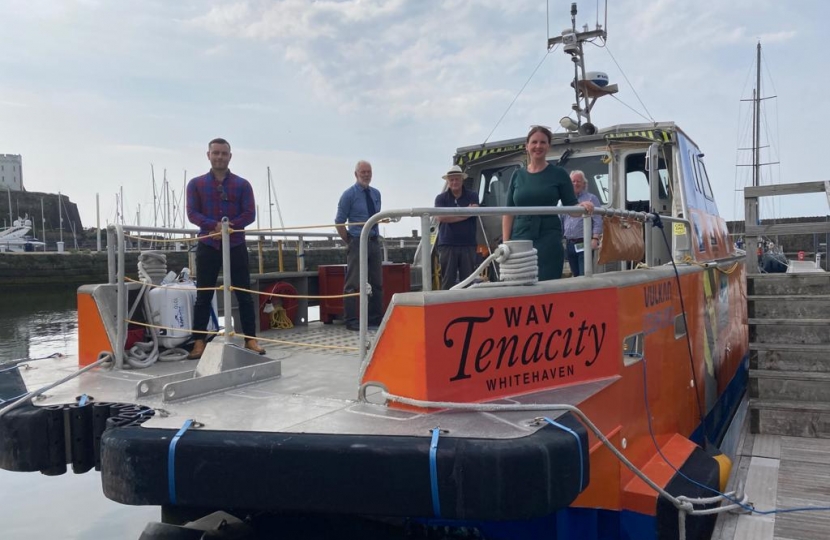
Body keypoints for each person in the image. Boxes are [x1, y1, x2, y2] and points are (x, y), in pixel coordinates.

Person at [185, 138, 263, 359]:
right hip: (208, 244)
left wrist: (229, 226)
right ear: (208, 155)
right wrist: (214, 226)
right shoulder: (196, 184)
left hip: (235, 244)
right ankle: (198, 342)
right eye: (216, 153)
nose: (219, 157)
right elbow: (192, 213)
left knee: (244, 293)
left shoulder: (242, 184)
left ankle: (250, 339)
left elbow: (250, 214)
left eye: (224, 153)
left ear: (230, 156)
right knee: (203, 294)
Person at [501, 126, 595, 281]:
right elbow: (508, 212)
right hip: (520, 237)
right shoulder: (517, 175)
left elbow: (571, 207)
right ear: (527, 146)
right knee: (518, 283)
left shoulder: (558, 174)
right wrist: (506, 244)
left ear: (548, 146)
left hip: (548, 238)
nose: (538, 146)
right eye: (534, 142)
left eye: (543, 142)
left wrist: (583, 207)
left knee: (548, 282)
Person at [335, 160, 383, 330]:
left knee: (377, 282)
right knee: (353, 283)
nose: (366, 175)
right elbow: (339, 221)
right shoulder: (348, 195)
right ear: (356, 174)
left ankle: (375, 318)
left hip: (374, 242)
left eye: (368, 171)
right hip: (357, 242)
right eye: (363, 172)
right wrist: (349, 240)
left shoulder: (376, 194)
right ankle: (351, 320)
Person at [434, 165, 480, 290]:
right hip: (447, 245)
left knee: (469, 282)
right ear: (448, 181)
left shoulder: (472, 195)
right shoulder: (440, 198)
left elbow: (475, 211)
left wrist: (451, 215)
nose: (454, 182)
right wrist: (466, 214)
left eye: (457, 179)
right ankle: (446, 309)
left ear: (462, 180)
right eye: (452, 179)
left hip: (468, 245)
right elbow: (441, 217)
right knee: (447, 281)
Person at [561, 170, 603, 277]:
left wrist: (595, 239)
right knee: (575, 275)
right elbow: (561, 220)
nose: (575, 183)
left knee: (584, 274)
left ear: (584, 184)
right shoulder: (563, 201)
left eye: (578, 181)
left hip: (584, 242)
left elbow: (598, 220)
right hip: (569, 243)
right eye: (573, 181)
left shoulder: (591, 198)